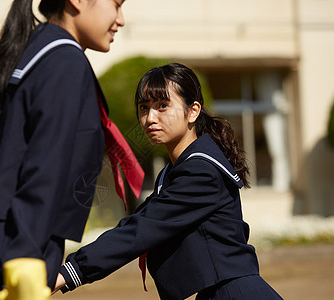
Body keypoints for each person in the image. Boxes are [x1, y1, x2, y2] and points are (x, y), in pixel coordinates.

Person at [0, 0, 143, 299]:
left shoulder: (43, 51)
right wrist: (25, 257)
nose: (120, 19)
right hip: (9, 263)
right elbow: (46, 164)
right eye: (116, 4)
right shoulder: (65, 61)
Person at [54, 63, 283, 299]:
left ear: (193, 111)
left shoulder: (201, 170)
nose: (150, 118)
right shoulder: (176, 170)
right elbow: (138, 223)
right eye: (144, 108)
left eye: (162, 106)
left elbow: (141, 229)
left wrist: (68, 273)